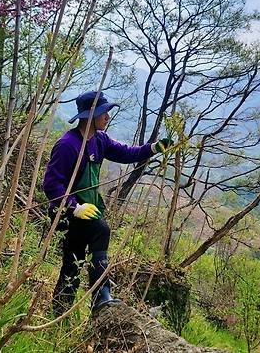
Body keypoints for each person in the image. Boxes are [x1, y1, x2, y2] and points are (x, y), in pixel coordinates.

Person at [42, 91, 172, 315]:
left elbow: (125, 153)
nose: (108, 117)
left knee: (74, 261)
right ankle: (102, 298)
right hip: (67, 213)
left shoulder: (99, 140)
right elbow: (52, 185)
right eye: (104, 113)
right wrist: (74, 207)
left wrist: (152, 148)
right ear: (89, 116)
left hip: (88, 209)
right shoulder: (67, 145)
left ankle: (61, 311)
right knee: (100, 232)